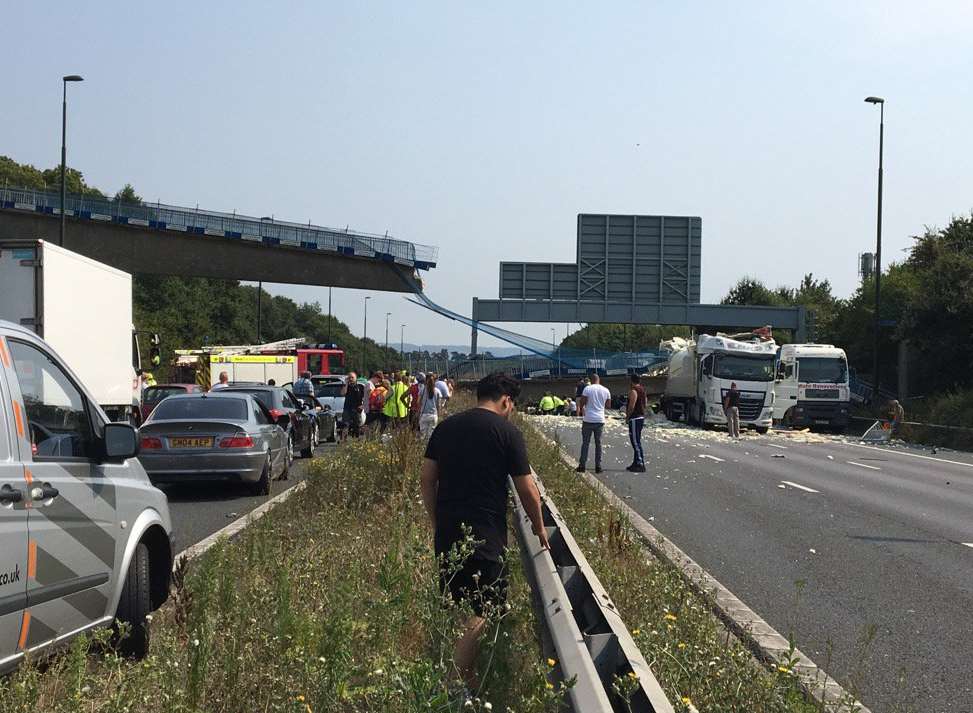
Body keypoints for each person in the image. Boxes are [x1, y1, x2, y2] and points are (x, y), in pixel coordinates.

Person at [420, 372, 548, 687]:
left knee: (457, 606)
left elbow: (426, 478)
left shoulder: (446, 427)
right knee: (484, 610)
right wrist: (540, 527)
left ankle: (467, 679)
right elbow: (527, 490)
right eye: (512, 405)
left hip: (448, 531)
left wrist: (437, 520)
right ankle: (451, 684)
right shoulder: (507, 432)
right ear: (506, 400)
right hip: (486, 535)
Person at [576, 373, 611, 474]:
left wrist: (586, 406)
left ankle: (582, 466)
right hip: (600, 420)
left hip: (588, 419)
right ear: (599, 380)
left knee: (585, 443)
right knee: (598, 443)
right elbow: (608, 405)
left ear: (591, 380)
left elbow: (582, 402)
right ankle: (598, 466)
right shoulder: (606, 390)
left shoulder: (587, 389)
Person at [625, 374, 647, 472]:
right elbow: (645, 403)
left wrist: (627, 416)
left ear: (631, 381)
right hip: (641, 417)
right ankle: (635, 462)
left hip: (635, 418)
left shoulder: (633, 391)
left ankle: (640, 463)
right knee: (637, 440)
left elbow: (631, 405)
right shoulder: (643, 390)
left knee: (635, 441)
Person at [341, 371, 365, 440]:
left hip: (357, 409)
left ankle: (356, 439)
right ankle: (343, 440)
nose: (351, 379)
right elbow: (342, 393)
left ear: (356, 378)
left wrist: (362, 406)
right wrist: (346, 384)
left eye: (352, 377)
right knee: (345, 425)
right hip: (347, 408)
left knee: (357, 425)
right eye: (349, 377)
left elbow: (365, 398)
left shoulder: (360, 387)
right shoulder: (346, 386)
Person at [418, 373, 442, 439]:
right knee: (430, 436)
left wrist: (418, 413)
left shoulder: (422, 390)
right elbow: (438, 405)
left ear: (425, 380)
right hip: (433, 415)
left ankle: (422, 448)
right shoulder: (437, 391)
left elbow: (418, 402)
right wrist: (438, 415)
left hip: (424, 414)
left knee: (422, 436)